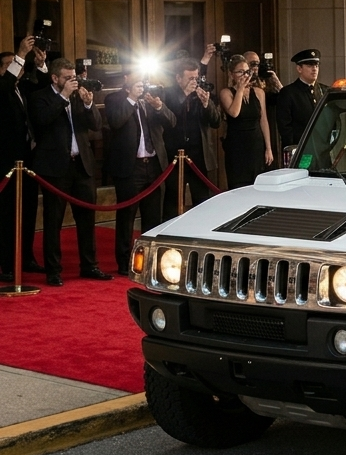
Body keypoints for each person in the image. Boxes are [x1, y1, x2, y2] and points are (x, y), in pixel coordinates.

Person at [28, 58, 109, 285]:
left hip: (82, 165)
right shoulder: (40, 97)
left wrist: (88, 104)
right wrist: (63, 96)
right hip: (55, 168)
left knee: (87, 219)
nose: (73, 81)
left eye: (74, 77)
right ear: (55, 78)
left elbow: (96, 125)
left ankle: (90, 265)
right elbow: (42, 121)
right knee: (53, 221)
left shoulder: (77, 95)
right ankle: (53, 270)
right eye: (67, 78)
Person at [104, 69, 175, 275]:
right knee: (126, 216)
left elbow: (172, 122)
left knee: (153, 216)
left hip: (154, 165)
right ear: (126, 81)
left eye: (143, 81)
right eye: (137, 81)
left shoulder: (152, 97)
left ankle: (150, 261)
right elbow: (115, 121)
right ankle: (125, 262)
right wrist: (132, 99)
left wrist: (159, 106)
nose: (142, 85)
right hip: (130, 167)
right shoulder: (114, 99)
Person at [0, 37, 46, 280]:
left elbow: (45, 89)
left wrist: (40, 65)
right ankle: (6, 264)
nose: (16, 68)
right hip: (6, 165)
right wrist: (19, 54)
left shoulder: (22, 88)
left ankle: (26, 256)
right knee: (7, 215)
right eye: (9, 65)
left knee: (28, 210)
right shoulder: (2, 88)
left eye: (16, 64)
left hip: (28, 162)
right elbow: (5, 85)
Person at [162, 59, 222, 219]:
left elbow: (216, 122)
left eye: (196, 78)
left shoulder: (202, 92)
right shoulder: (167, 94)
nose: (194, 82)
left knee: (202, 201)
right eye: (190, 78)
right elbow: (170, 120)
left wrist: (206, 104)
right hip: (174, 156)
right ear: (178, 78)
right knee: (173, 201)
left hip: (199, 156)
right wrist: (184, 96)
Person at [219, 55, 273, 189]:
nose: (244, 75)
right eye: (240, 72)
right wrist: (240, 90)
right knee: (239, 186)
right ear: (231, 74)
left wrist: (268, 148)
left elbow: (264, 120)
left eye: (247, 71)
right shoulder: (226, 93)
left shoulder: (259, 92)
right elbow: (234, 113)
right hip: (237, 146)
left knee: (258, 185)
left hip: (256, 145)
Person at [276, 49, 325, 151]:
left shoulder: (324, 91)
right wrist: (294, 148)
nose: (314, 69)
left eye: (316, 65)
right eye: (310, 65)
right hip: (300, 148)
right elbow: (284, 126)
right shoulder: (288, 92)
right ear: (299, 68)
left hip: (322, 147)